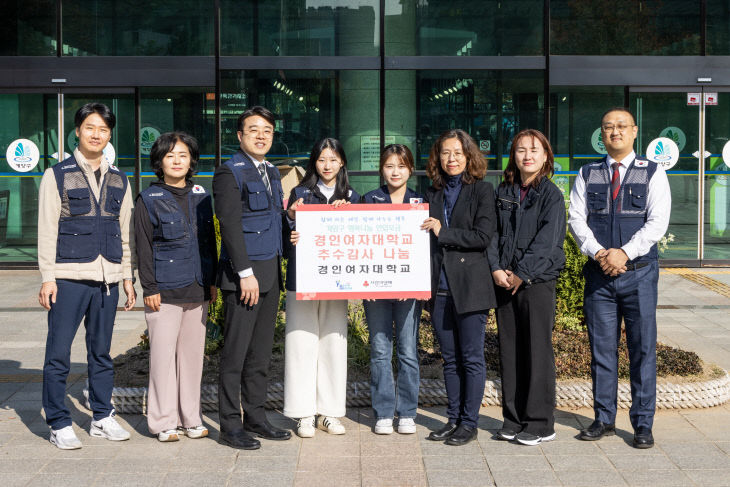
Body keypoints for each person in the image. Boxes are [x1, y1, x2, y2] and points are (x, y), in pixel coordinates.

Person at [569, 107, 671, 449]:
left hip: (639, 275)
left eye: (621, 126)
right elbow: (576, 220)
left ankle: (643, 424)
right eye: (609, 127)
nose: (615, 132)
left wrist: (623, 253)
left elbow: (657, 222)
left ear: (634, 131)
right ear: (602, 133)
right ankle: (603, 419)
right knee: (602, 350)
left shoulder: (652, 172)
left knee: (642, 350)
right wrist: (600, 253)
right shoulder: (588, 172)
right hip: (599, 276)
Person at [37, 102, 136, 449]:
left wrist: (127, 277)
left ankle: (101, 416)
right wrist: (47, 277)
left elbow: (125, 232)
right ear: (77, 131)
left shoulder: (120, 179)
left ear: (110, 135)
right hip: (67, 276)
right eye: (90, 127)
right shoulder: (57, 174)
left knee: (101, 353)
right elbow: (47, 228)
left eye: (103, 129)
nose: (96, 134)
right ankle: (59, 421)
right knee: (59, 353)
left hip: (106, 279)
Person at [213, 106, 292, 450]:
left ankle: (256, 417)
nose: (261, 136)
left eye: (267, 131)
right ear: (240, 135)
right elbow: (229, 227)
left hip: (270, 273)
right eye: (254, 129)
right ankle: (230, 424)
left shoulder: (272, 171)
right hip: (244, 278)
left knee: (260, 354)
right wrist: (244, 273)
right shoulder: (229, 172)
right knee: (235, 353)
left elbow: (275, 218)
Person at [134, 132, 217, 442]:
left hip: (197, 289)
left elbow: (209, 243)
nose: (177, 160)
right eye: (170, 156)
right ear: (160, 162)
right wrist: (149, 287)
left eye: (183, 155)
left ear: (191, 160)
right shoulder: (149, 199)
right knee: (162, 359)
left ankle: (190, 418)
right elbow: (143, 246)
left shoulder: (201, 195)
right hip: (164, 292)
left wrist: (211, 282)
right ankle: (163, 422)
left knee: (192, 360)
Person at [488, 129, 566, 446]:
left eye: (534, 150)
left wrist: (521, 272)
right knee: (510, 351)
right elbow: (491, 234)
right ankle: (513, 418)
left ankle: (540, 423)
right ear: (513, 156)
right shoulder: (504, 191)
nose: (527, 155)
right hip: (505, 282)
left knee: (536, 350)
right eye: (521, 150)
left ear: (546, 156)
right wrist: (495, 268)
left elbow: (548, 243)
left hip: (536, 282)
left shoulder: (551, 195)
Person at [421, 129, 497, 446]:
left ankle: (469, 422)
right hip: (439, 288)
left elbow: (482, 237)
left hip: (470, 287)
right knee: (449, 359)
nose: (451, 159)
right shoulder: (431, 193)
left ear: (468, 156)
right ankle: (453, 420)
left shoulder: (482, 191)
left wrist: (444, 231)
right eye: (445, 153)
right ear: (438, 158)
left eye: (457, 153)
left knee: (471, 358)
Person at [282, 137, 360, 438]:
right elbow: (285, 233)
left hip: (336, 283)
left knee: (333, 345)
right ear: (314, 163)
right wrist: (291, 222)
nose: (327, 165)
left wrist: (350, 213)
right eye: (321, 159)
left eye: (333, 159)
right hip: (303, 281)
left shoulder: (353, 195)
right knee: (300, 344)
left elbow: (361, 239)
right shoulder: (300, 193)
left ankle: (329, 412)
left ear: (342, 162)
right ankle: (302, 413)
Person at [361, 144, 423, 435]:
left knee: (408, 351)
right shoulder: (369, 200)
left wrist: (410, 281)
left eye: (401, 165)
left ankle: (408, 412)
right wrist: (365, 282)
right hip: (375, 291)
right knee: (380, 350)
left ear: (410, 168)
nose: (395, 171)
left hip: (407, 291)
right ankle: (384, 412)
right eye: (389, 166)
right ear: (381, 170)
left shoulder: (421, 202)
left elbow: (424, 250)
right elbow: (358, 242)